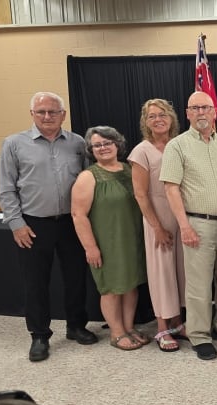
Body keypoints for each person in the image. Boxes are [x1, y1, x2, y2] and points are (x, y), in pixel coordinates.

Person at [0, 91, 98, 362]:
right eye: (41, 112)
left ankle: (76, 326)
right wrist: (16, 224)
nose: (47, 116)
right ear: (32, 114)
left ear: (63, 115)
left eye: (53, 111)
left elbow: (89, 181)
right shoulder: (13, 144)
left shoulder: (77, 143)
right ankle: (40, 335)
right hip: (33, 224)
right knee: (36, 282)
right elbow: (6, 189)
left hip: (71, 222)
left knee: (76, 277)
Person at [160, 91, 217, 361]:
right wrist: (183, 226)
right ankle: (199, 336)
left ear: (214, 112)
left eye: (205, 108)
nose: (200, 113)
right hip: (197, 223)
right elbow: (171, 189)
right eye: (195, 108)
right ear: (187, 113)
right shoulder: (177, 146)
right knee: (198, 284)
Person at [70, 126, 148, 351]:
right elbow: (78, 215)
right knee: (112, 288)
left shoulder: (128, 170)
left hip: (131, 239)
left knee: (130, 285)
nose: (103, 148)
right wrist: (90, 247)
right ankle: (116, 332)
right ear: (90, 149)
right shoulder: (88, 177)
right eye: (97, 145)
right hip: (107, 242)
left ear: (117, 144)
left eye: (107, 143)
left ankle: (129, 327)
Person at [128, 98, 187, 352]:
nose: (158, 119)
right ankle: (162, 328)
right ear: (146, 122)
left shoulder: (179, 145)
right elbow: (140, 194)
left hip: (182, 217)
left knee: (181, 273)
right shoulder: (142, 151)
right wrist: (157, 228)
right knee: (161, 274)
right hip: (158, 219)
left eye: (162, 114)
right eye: (152, 116)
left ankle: (178, 322)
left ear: (171, 118)